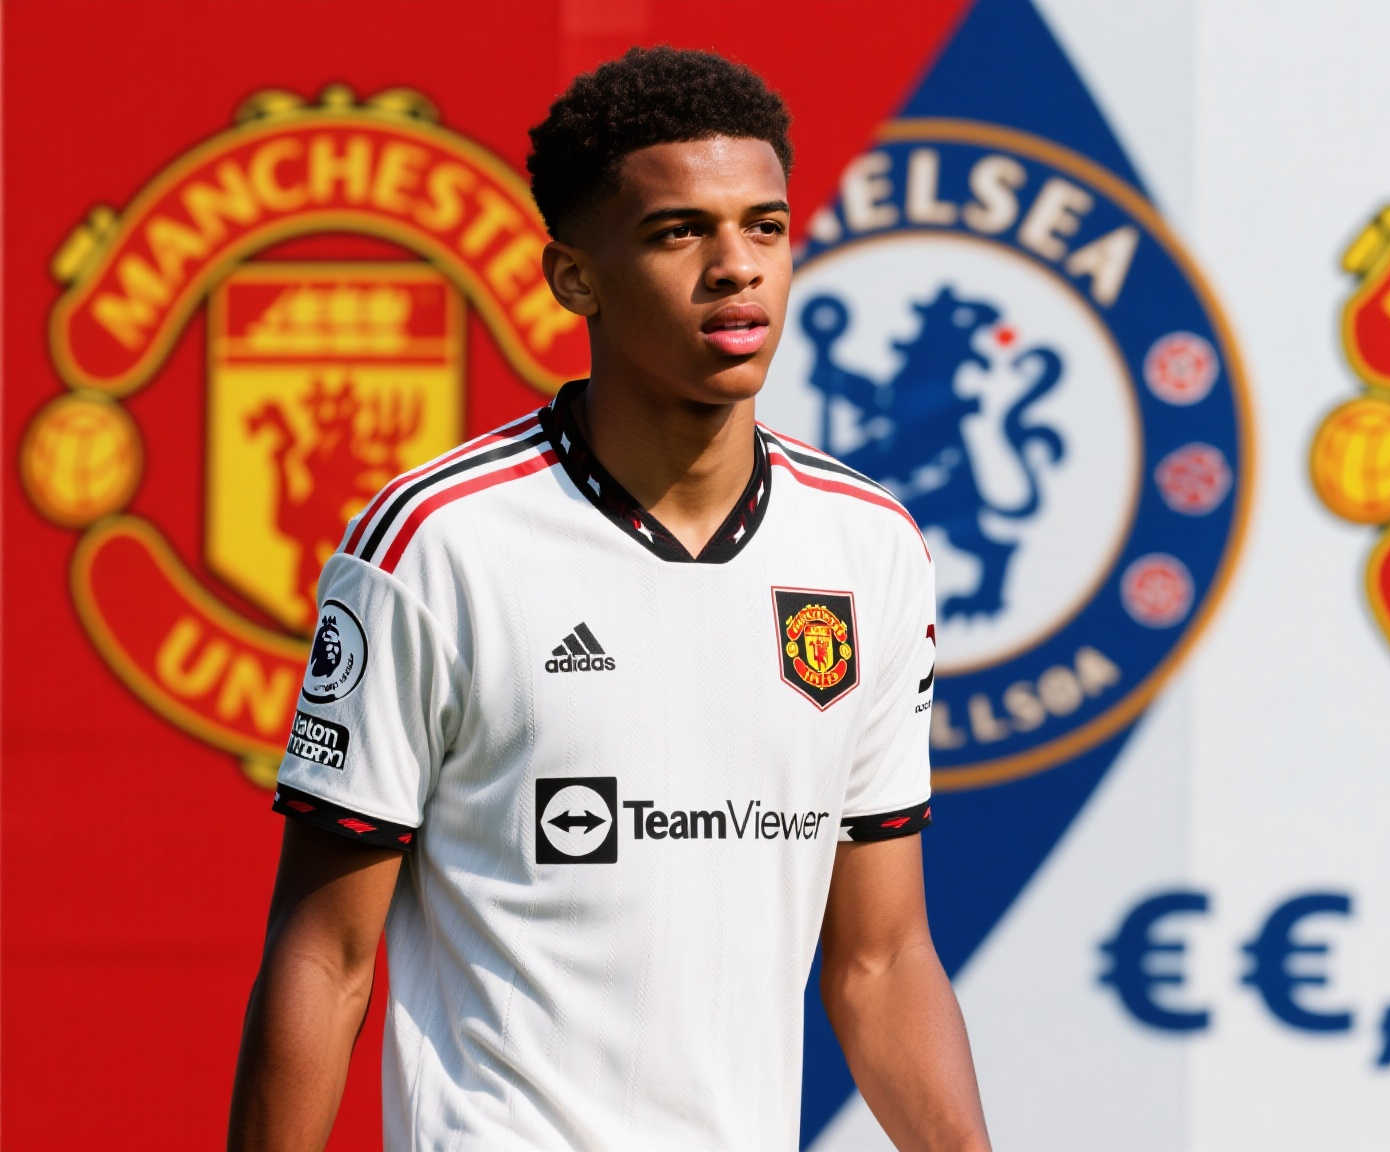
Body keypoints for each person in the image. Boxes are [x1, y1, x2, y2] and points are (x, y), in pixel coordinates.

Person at [228, 46, 992, 1151]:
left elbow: (879, 960)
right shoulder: (438, 541)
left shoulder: (869, 546)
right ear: (574, 278)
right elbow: (326, 955)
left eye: (765, 227)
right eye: (680, 232)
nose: (737, 268)